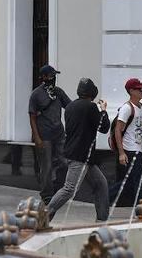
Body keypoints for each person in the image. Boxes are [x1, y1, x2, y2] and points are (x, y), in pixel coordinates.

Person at [47, 78, 110, 222]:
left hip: (79, 155)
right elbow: (104, 127)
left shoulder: (70, 107)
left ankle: (102, 220)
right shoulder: (91, 107)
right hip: (80, 156)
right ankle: (45, 214)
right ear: (91, 92)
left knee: (101, 184)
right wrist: (103, 110)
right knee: (69, 189)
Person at [108, 78, 142, 205]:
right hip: (130, 150)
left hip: (138, 149)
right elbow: (118, 130)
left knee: (129, 182)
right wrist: (121, 153)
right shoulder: (127, 108)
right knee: (139, 181)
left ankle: (105, 197)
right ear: (132, 91)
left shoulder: (141, 107)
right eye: (140, 89)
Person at [29, 65, 71, 202]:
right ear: (44, 77)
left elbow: (70, 106)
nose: (53, 78)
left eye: (54, 75)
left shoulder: (58, 92)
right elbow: (32, 117)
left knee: (65, 162)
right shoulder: (36, 94)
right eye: (51, 75)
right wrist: (36, 137)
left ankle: (59, 189)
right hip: (44, 135)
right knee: (46, 166)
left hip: (59, 133)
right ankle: (47, 195)